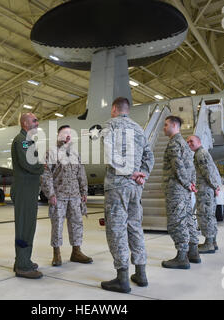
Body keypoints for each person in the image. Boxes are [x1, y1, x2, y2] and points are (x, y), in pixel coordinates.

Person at [100, 97, 154, 293]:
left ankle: (122, 278)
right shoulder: (139, 129)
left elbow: (109, 155)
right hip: (135, 188)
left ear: (114, 109)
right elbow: (149, 156)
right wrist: (142, 175)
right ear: (127, 110)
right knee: (135, 227)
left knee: (116, 229)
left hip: (117, 186)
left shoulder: (111, 125)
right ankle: (141, 273)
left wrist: (128, 172)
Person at [41, 125, 92, 267]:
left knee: (77, 224)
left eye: (70, 133)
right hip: (59, 196)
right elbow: (46, 175)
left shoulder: (75, 154)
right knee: (57, 225)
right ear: (59, 136)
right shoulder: (51, 152)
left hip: (75, 196)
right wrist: (50, 194)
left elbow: (81, 174)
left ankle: (76, 251)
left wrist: (84, 192)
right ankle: (56, 254)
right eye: (64, 133)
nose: (68, 135)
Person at [161, 116, 200, 269]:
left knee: (177, 221)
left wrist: (186, 183)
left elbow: (178, 167)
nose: (164, 128)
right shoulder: (184, 143)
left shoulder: (173, 144)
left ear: (174, 125)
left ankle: (182, 257)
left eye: (166, 125)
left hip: (176, 189)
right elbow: (191, 167)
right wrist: (191, 184)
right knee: (188, 218)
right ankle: (193, 252)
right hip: (184, 189)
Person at [11, 113, 45, 279]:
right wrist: (44, 166)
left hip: (28, 191)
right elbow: (29, 163)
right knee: (24, 228)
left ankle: (23, 260)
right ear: (25, 123)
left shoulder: (28, 140)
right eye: (34, 120)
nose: (37, 123)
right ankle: (23, 266)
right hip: (24, 191)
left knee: (28, 227)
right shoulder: (22, 140)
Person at [186, 135, 221, 253]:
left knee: (205, 215)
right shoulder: (200, 153)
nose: (189, 143)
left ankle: (209, 244)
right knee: (209, 215)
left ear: (199, 142)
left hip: (205, 190)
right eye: (188, 142)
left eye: (191, 141)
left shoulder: (200, 154)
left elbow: (208, 172)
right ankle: (212, 242)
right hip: (206, 189)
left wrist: (215, 186)